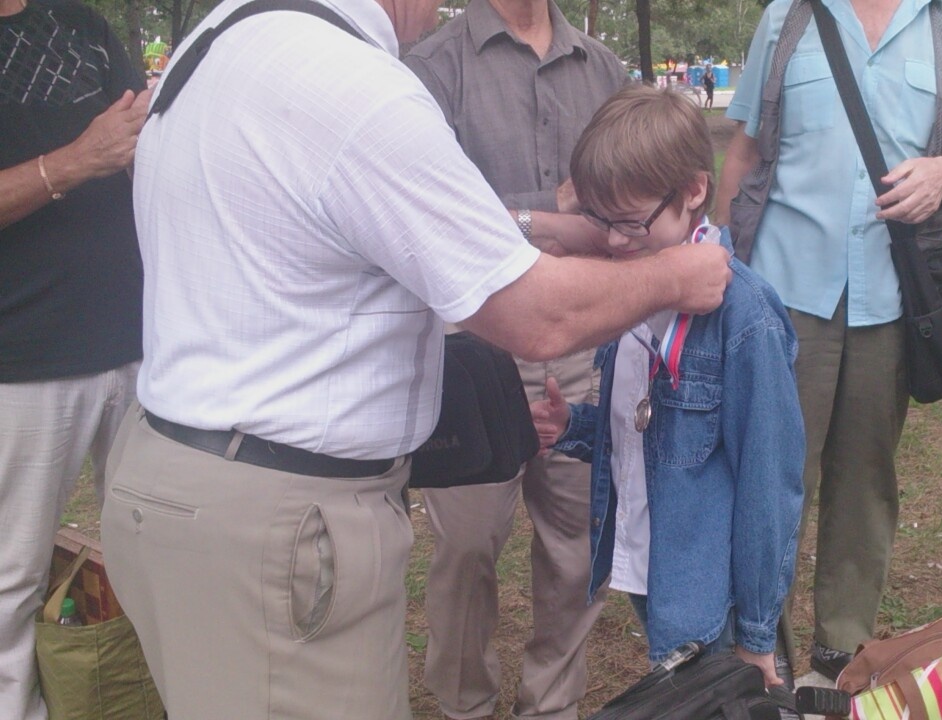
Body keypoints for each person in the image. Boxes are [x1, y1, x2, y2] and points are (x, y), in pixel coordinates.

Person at [97, 0, 733, 717]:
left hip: (182, 478)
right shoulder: (354, 84)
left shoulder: (221, 37)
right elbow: (537, 315)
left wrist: (544, 227)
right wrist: (675, 275)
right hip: (278, 519)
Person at [716, 0, 942, 682]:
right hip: (784, 292)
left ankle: (841, 651)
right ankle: (758, 650)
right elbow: (745, 148)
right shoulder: (789, 17)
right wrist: (719, 265)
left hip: (891, 296)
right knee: (772, 478)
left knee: (866, 478)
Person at [531, 84, 804, 683]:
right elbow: (646, 427)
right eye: (600, 220)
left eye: (631, 223)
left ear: (693, 191)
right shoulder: (631, 288)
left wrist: (757, 632)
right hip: (648, 559)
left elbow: (769, 483)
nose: (614, 242)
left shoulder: (745, 319)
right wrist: (574, 426)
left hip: (708, 591)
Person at [403, 2, 624, 717]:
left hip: (582, 342)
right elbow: (427, 211)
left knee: (578, 547)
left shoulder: (603, 68)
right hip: (473, 353)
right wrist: (549, 214)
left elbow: (627, 196)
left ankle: (551, 705)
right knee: (466, 548)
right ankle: (464, 703)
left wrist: (516, 216)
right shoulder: (433, 67)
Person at [0, 0, 149, 716]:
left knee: (158, 557)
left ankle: (150, 698)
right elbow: (100, 151)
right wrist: (75, 162)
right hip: (20, 361)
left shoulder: (82, 26)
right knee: (11, 576)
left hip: (142, 348)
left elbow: (145, 139)